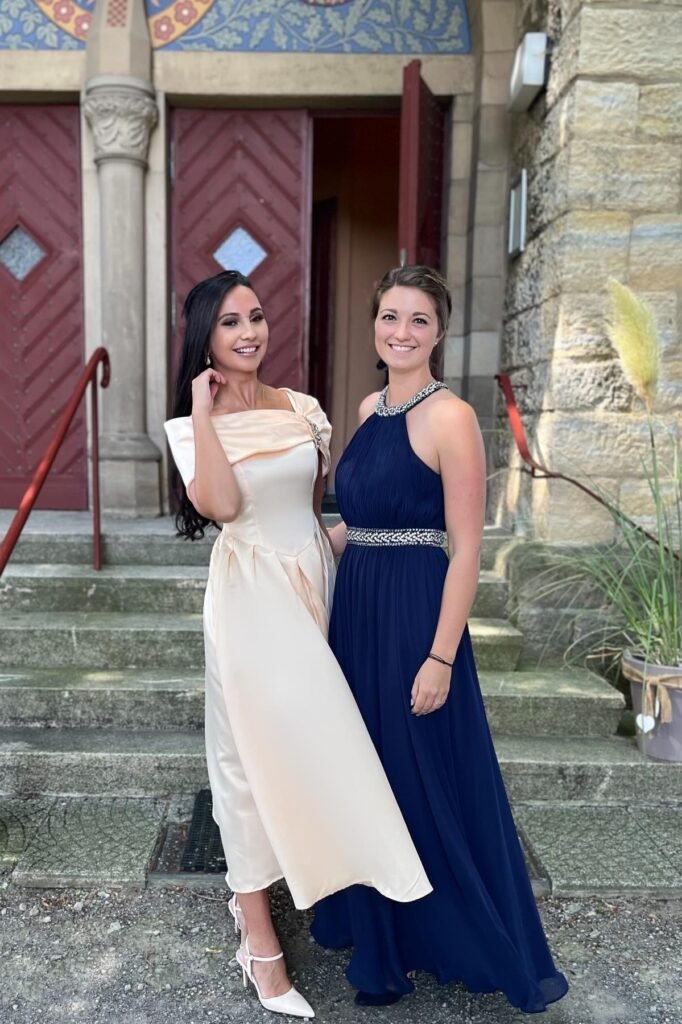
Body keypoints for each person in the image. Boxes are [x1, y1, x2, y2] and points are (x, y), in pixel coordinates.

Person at [163, 270, 431, 1020]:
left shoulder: (305, 408)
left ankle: (344, 891)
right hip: (250, 597)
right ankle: (259, 940)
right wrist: (202, 408)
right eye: (229, 323)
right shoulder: (191, 428)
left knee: (317, 746)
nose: (249, 332)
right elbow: (219, 507)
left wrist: (391, 549)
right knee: (246, 760)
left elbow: (314, 512)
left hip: (315, 583)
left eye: (256, 315)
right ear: (205, 340)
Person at [311, 265, 569, 1013]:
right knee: (368, 776)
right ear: (374, 326)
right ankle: (380, 930)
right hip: (357, 611)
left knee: (421, 777)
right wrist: (281, 554)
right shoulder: (369, 406)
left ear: (440, 331)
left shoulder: (451, 416)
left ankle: (441, 935)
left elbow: (465, 546)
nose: (401, 331)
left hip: (416, 615)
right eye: (390, 316)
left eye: (418, 320)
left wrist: (440, 655)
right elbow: (357, 523)